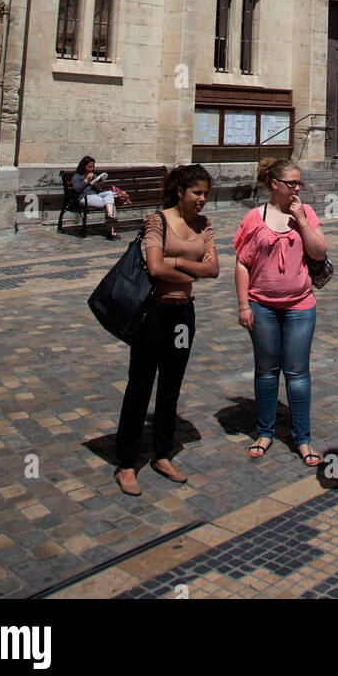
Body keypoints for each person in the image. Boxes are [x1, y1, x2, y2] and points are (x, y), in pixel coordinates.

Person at [114, 164, 219, 497]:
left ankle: (162, 453)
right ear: (180, 191)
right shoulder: (157, 221)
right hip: (154, 313)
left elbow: (214, 270)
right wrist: (192, 271)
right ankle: (126, 462)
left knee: (172, 384)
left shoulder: (204, 224)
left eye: (206, 194)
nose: (202, 199)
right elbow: (154, 267)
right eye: (197, 193)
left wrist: (177, 264)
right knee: (140, 385)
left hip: (183, 314)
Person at [234, 158, 328, 465]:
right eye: (292, 183)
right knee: (266, 371)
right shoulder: (255, 217)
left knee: (298, 373)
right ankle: (265, 431)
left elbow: (319, 252)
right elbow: (242, 263)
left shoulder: (306, 212)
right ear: (274, 185)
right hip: (261, 306)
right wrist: (244, 305)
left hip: (300, 305)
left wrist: (301, 219)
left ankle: (303, 438)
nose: (297, 188)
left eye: (300, 183)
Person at [72, 155, 118, 240]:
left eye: (93, 166)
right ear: (84, 166)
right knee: (110, 204)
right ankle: (110, 230)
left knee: (109, 193)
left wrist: (97, 186)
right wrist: (86, 180)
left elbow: (100, 190)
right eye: (89, 167)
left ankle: (110, 214)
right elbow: (77, 189)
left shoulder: (94, 176)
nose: (91, 169)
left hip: (96, 195)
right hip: (85, 197)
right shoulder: (77, 176)